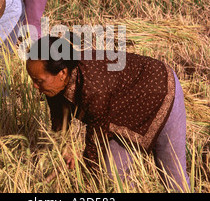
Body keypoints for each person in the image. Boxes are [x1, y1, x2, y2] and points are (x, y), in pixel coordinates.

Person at [25, 35, 191, 192]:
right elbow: (59, 119)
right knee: (113, 175)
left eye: (39, 80)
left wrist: (83, 169)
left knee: (174, 177)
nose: (35, 86)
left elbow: (95, 144)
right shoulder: (53, 86)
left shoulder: (94, 88)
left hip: (157, 92)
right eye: (33, 79)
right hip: (120, 106)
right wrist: (63, 150)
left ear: (62, 73)